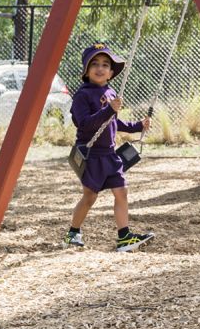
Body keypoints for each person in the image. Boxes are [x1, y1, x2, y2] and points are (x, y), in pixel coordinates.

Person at [64, 43, 154, 252]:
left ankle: (124, 237)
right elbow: (85, 123)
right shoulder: (82, 95)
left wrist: (137, 126)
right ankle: (73, 232)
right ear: (86, 70)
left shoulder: (111, 92)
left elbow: (113, 122)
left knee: (121, 192)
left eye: (105, 64)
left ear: (112, 72)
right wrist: (108, 111)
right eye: (94, 64)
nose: (100, 68)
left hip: (110, 155)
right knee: (90, 196)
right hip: (91, 154)